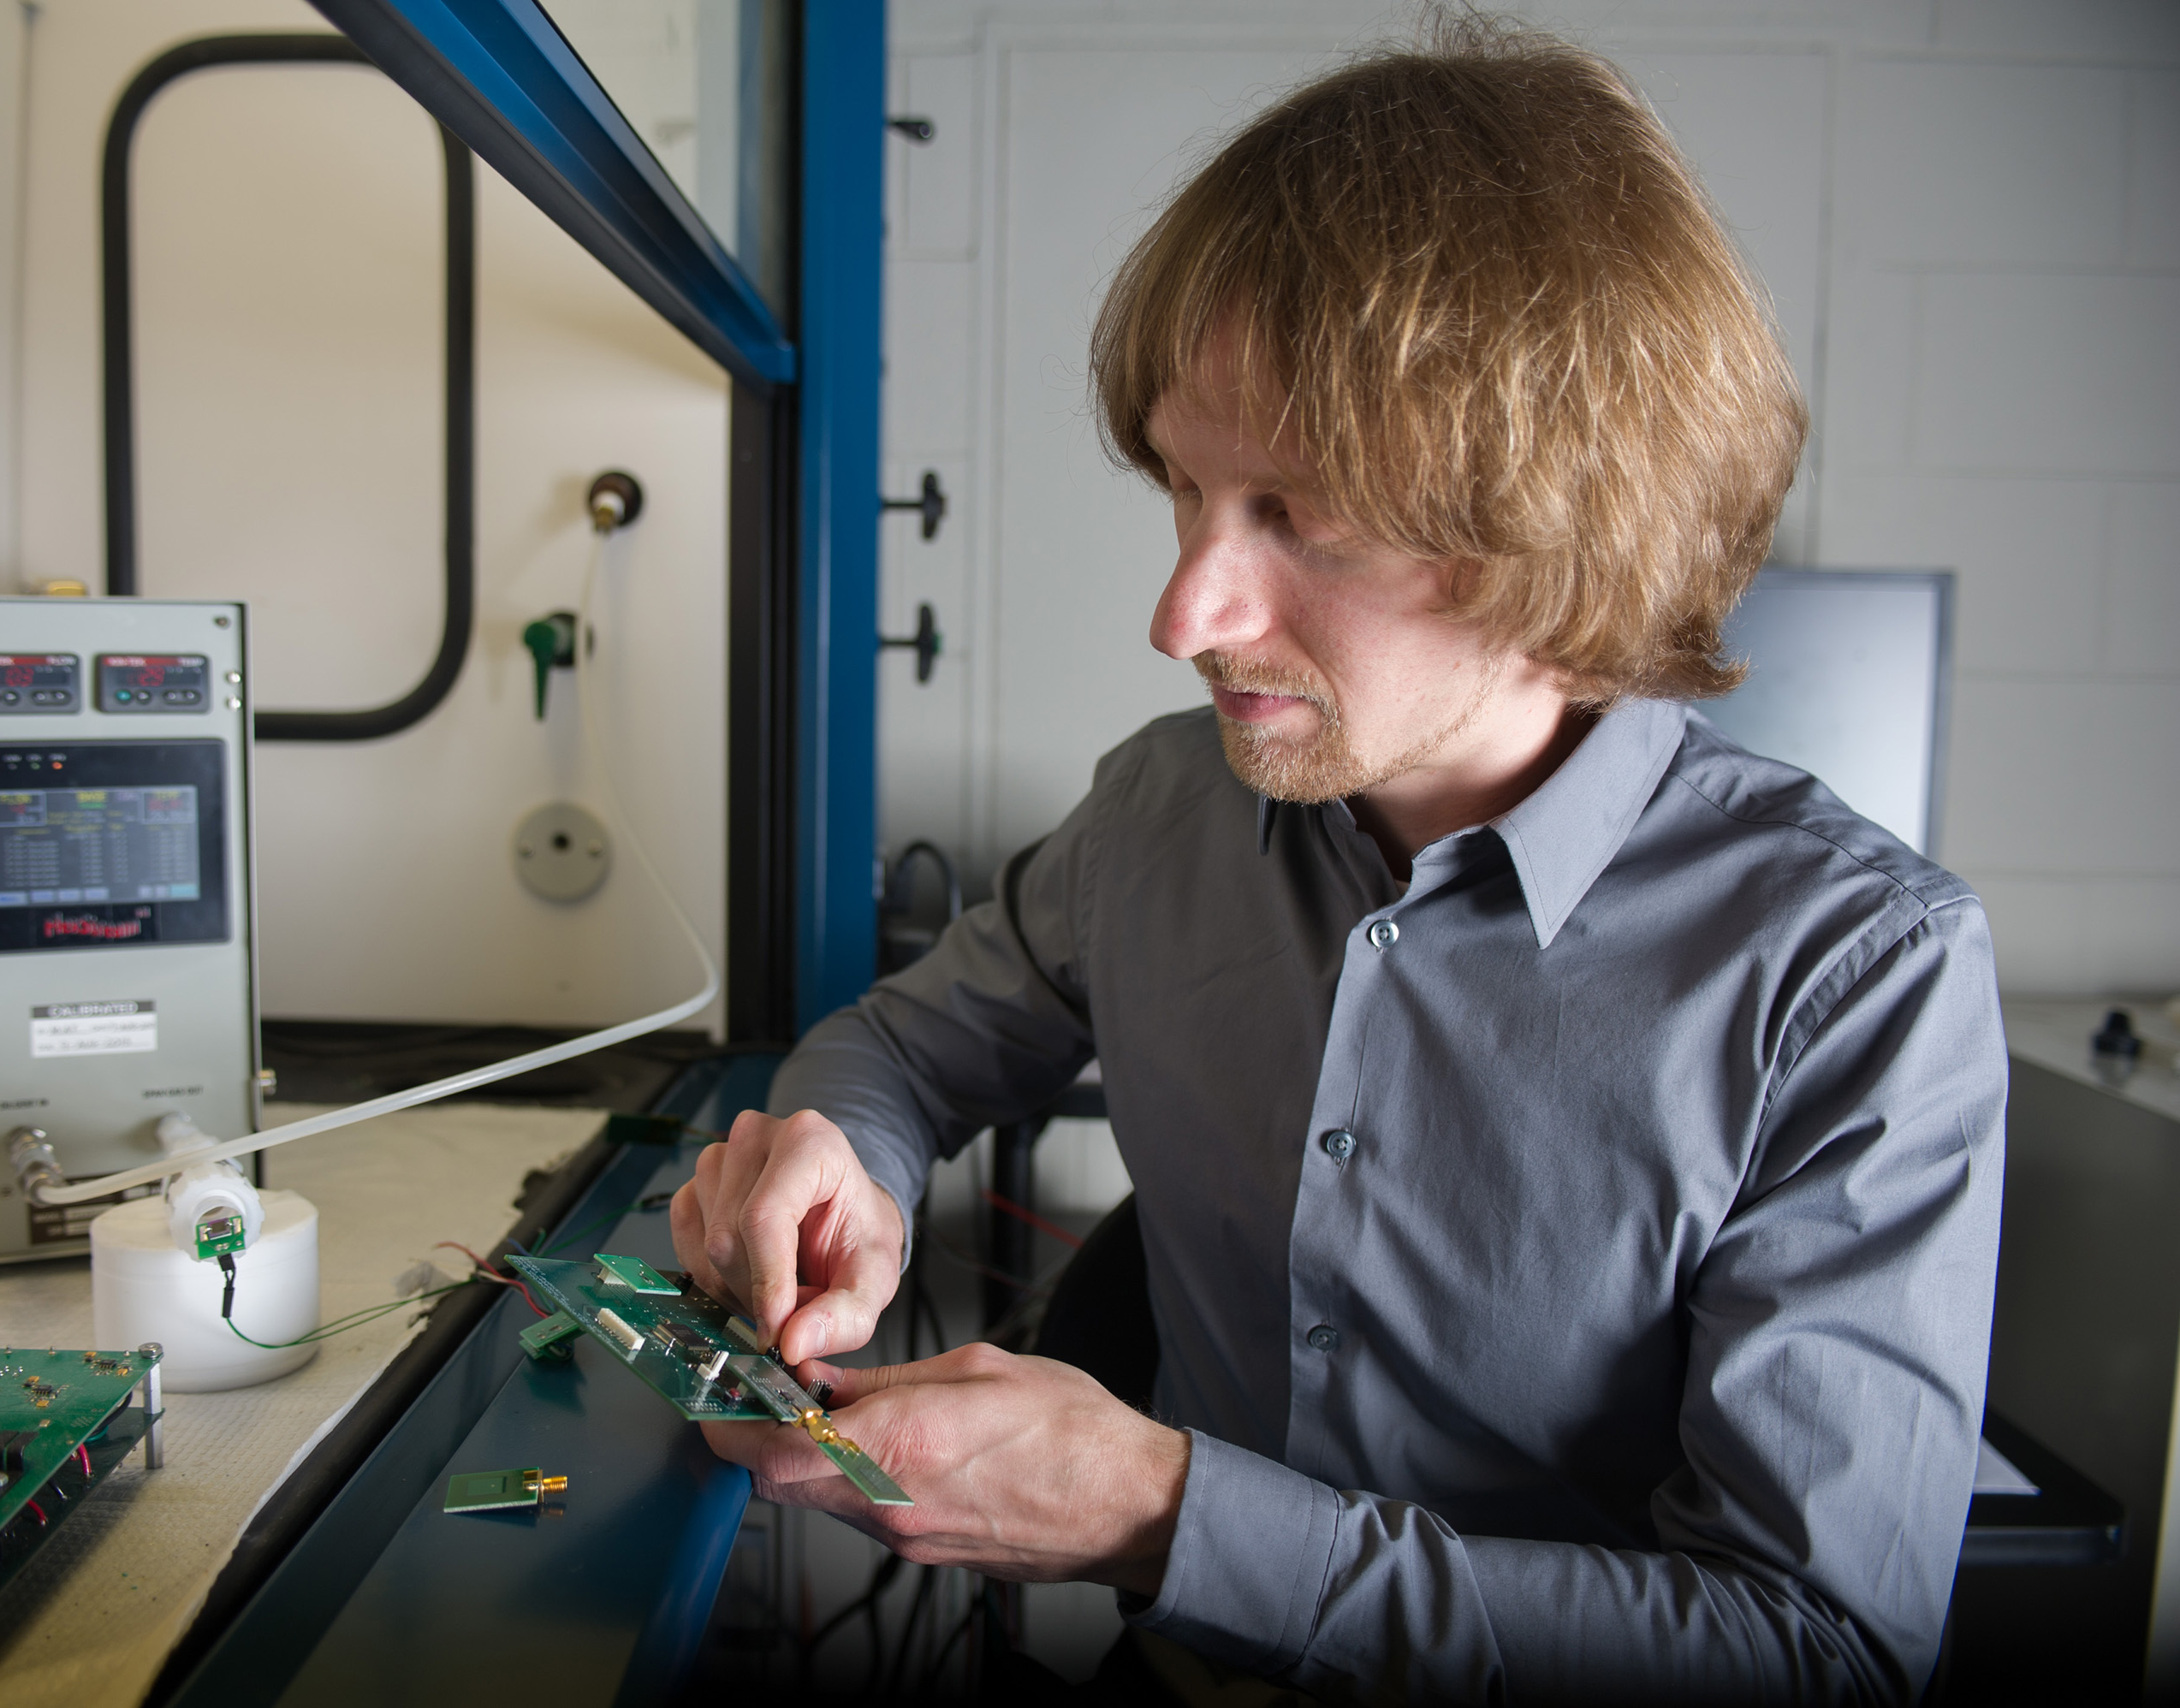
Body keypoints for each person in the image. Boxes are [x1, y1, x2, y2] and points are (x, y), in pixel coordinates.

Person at [673, 19, 2005, 1703]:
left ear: (1563, 525)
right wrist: (839, 1155)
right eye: (1185, 489)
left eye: (1303, 516)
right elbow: (909, 1042)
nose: (1185, 615)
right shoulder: (1161, 808)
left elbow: (1814, 1651)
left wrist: (1169, 1515)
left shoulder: (1854, 975)